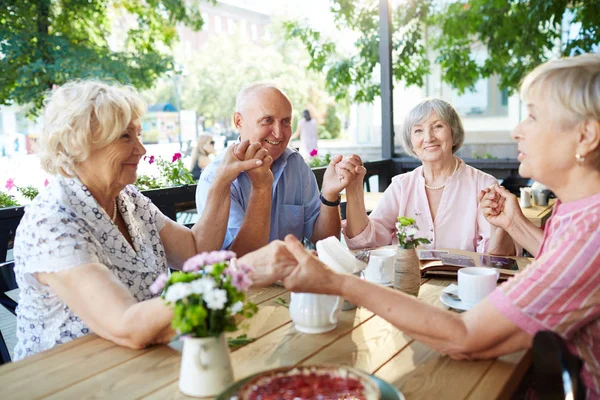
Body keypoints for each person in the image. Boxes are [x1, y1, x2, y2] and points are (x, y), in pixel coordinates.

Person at [280, 54, 600, 398]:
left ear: (586, 136)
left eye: (533, 116)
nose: (516, 130)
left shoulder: (589, 232)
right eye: (418, 130)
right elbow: (557, 260)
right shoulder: (574, 211)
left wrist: (336, 281)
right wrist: (513, 222)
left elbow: (464, 337)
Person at [12, 80, 293, 360]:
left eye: (138, 135)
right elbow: (128, 326)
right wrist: (239, 274)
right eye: (125, 137)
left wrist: (223, 179)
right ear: (78, 143)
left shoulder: (128, 199)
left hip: (143, 362)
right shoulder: (53, 221)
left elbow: (196, 251)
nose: (141, 149)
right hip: (70, 379)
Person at [195, 82, 360, 256]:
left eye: (286, 122)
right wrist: (262, 187)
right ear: (238, 121)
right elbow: (239, 261)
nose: (279, 133)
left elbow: (325, 241)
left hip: (291, 280)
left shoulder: (295, 164)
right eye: (267, 120)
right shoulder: (216, 177)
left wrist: (329, 196)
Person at [341, 98, 515, 255]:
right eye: (418, 131)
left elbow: (496, 256)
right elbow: (365, 242)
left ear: (453, 135)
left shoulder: (484, 184)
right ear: (412, 145)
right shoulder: (401, 186)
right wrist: (354, 188)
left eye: (438, 126)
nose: (428, 138)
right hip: (409, 283)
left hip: (463, 284)